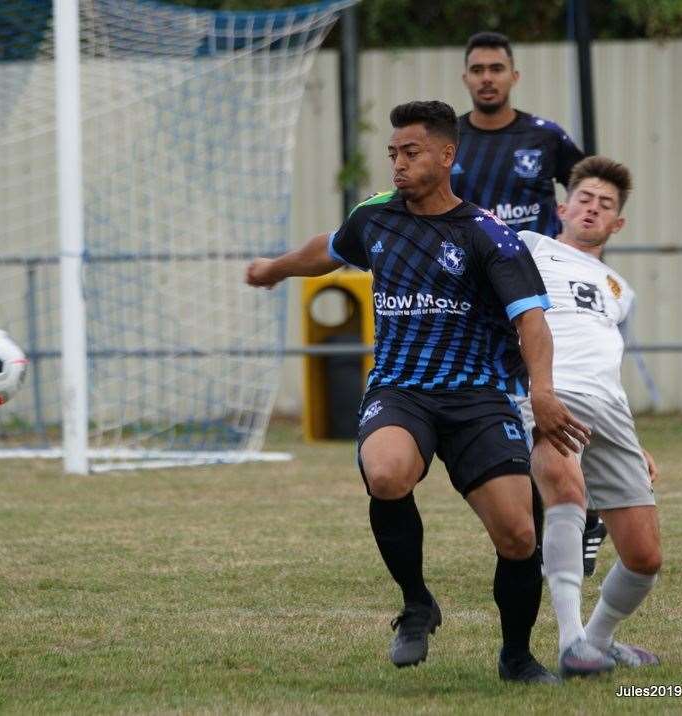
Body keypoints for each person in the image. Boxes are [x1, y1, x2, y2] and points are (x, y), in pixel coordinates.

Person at [245, 100, 590, 683]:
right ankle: (416, 604)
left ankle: (516, 657)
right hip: (401, 390)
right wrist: (275, 268)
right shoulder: (376, 218)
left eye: (411, 152)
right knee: (385, 473)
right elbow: (324, 250)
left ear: (446, 155)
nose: (398, 165)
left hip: (478, 397)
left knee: (518, 534)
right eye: (393, 154)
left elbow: (532, 321)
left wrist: (544, 391)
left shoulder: (488, 236)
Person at [455, 30, 606, 577]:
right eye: (478, 69)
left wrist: (584, 258)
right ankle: (557, 521)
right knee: (506, 415)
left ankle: (580, 514)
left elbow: (591, 198)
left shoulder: (545, 138)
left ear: (514, 75)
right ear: (466, 77)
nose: (488, 77)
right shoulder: (449, 140)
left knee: (549, 405)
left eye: (497, 67)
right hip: (473, 300)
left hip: (539, 299)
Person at [518, 156, 662, 678]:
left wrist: (636, 441)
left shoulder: (622, 291)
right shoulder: (530, 249)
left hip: (611, 412)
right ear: (563, 207)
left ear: (616, 223)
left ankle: (599, 640)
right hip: (551, 394)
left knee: (644, 558)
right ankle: (571, 640)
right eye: (584, 198)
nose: (592, 208)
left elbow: (609, 362)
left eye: (605, 204)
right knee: (568, 494)